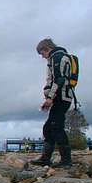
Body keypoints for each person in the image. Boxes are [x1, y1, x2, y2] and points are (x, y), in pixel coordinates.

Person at [31, 38, 74, 167]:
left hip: (61, 98)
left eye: (42, 54)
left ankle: (66, 161)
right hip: (61, 98)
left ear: (48, 48)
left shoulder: (57, 58)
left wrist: (50, 97)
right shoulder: (60, 57)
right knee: (49, 128)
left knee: (57, 128)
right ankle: (46, 158)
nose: (43, 57)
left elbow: (59, 79)